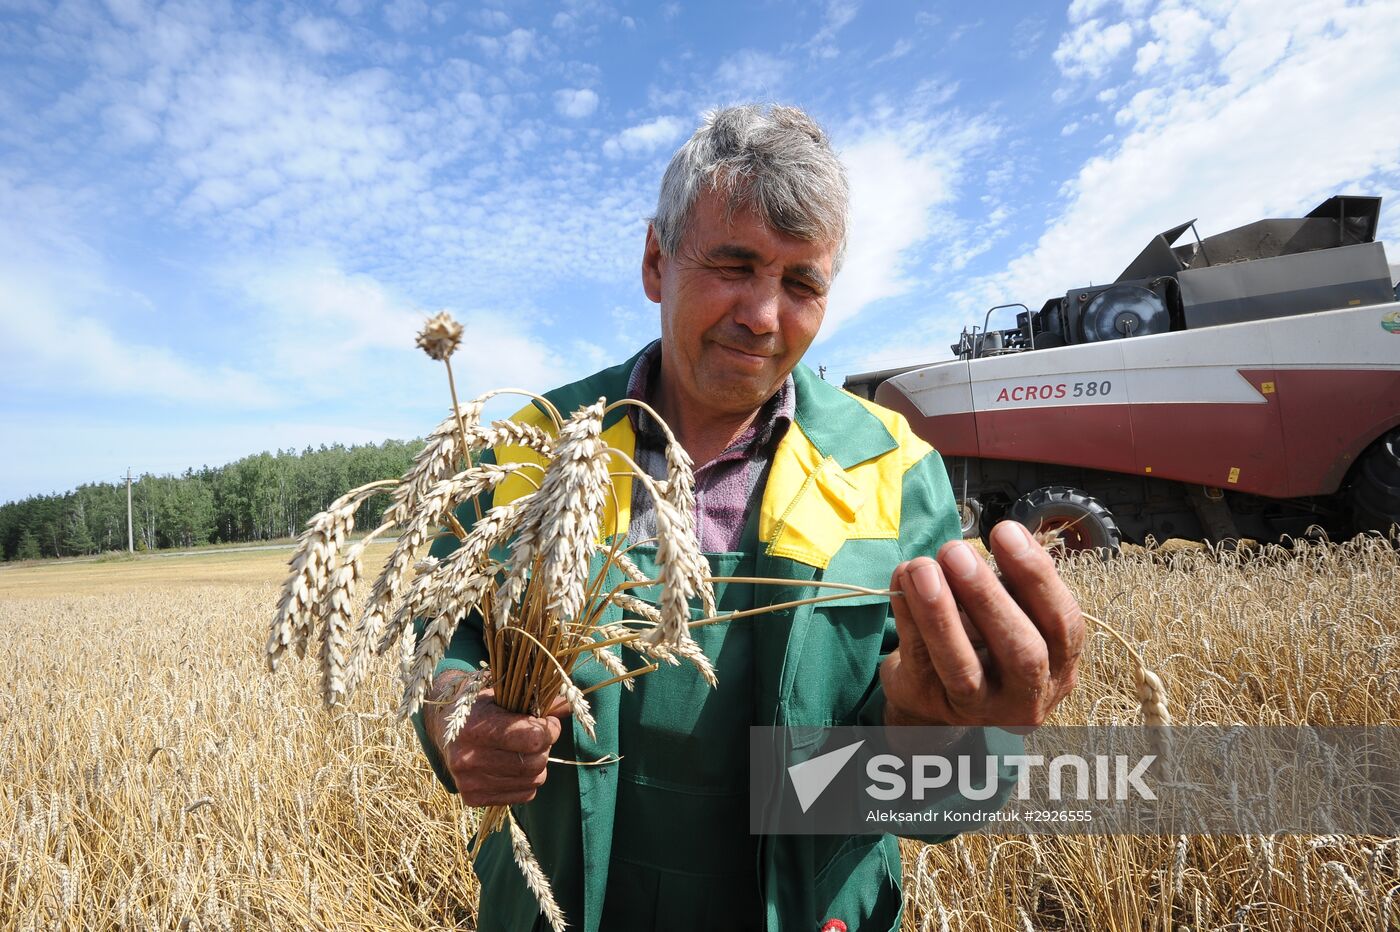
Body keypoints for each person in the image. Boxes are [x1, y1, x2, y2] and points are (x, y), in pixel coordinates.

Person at [413, 104, 1083, 932]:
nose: (764, 316)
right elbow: (446, 638)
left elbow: (927, 787)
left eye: (802, 283)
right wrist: (457, 716)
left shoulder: (894, 468)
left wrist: (939, 748)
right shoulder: (534, 447)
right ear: (656, 261)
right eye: (735, 265)